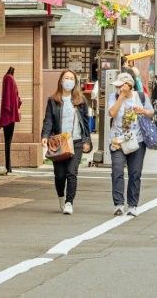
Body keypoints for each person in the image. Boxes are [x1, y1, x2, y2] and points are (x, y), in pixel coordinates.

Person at [41, 70, 91, 214]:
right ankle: (61, 197)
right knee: (60, 175)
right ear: (61, 81)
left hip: (76, 141)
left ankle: (69, 202)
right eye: (66, 78)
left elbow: (85, 123)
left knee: (72, 172)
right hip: (59, 142)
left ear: (75, 82)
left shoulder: (81, 101)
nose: (68, 81)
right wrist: (45, 135)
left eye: (71, 78)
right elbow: (49, 120)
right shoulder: (53, 100)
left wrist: (86, 140)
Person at [108, 72, 153, 216]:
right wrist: (121, 96)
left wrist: (143, 111)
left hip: (137, 140)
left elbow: (151, 112)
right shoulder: (114, 97)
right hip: (118, 140)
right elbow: (112, 113)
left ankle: (133, 205)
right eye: (118, 86)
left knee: (135, 173)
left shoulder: (140, 96)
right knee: (117, 171)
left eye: (121, 86)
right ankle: (118, 204)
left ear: (129, 85)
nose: (118, 88)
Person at [0, 66, 22, 174]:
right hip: (9, 113)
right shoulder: (9, 78)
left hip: (10, 112)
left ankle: (9, 166)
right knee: (8, 141)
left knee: (8, 141)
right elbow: (9, 95)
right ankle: (8, 166)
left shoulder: (8, 78)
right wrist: (9, 108)